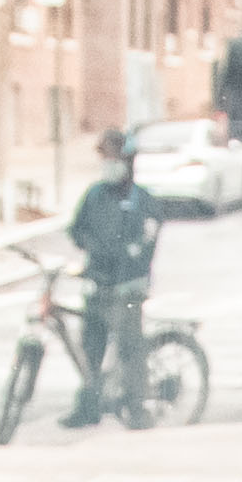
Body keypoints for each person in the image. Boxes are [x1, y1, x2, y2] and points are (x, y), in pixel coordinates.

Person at [62, 131, 170, 430]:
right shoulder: (95, 195)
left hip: (128, 287)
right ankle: (88, 407)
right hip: (98, 283)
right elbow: (76, 229)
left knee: (129, 347)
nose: (108, 164)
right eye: (104, 158)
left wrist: (125, 257)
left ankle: (137, 409)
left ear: (127, 161)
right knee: (91, 349)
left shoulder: (142, 200)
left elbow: (146, 242)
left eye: (113, 158)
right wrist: (90, 246)